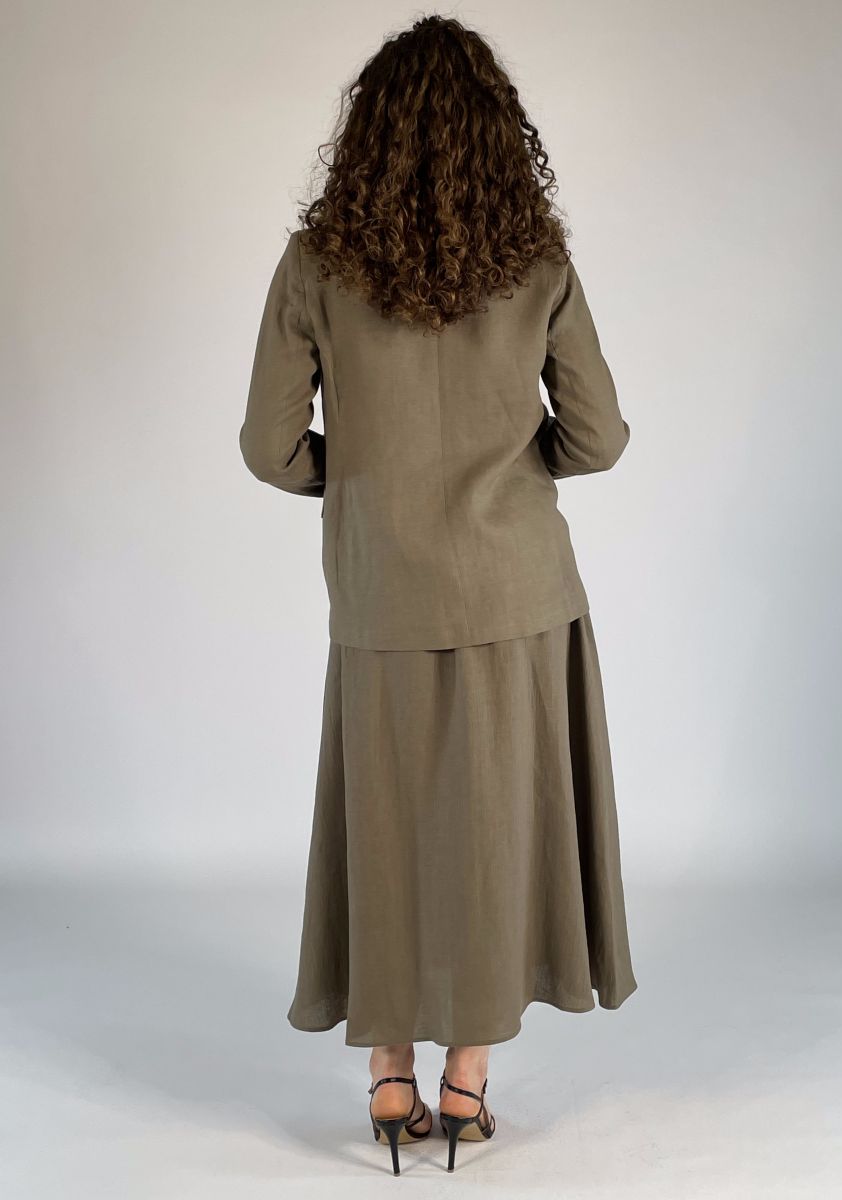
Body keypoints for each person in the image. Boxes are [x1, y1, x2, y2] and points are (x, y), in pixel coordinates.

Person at [239, 13, 637, 1176]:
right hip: (519, 591)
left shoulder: (317, 265)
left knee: (387, 831)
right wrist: (512, 472)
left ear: (365, 132)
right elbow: (600, 437)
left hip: (381, 594)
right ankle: (467, 1085)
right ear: (500, 136)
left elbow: (269, 447)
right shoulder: (536, 261)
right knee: (498, 833)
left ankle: (388, 1076)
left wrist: (364, 482)